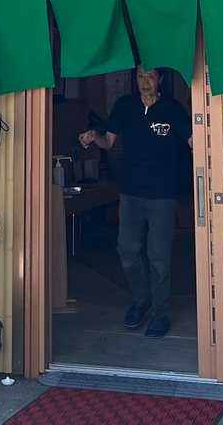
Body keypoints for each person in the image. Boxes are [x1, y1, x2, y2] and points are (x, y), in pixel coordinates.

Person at [79, 66, 192, 338]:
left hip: (162, 195)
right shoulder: (125, 106)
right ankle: (141, 300)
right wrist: (94, 137)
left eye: (150, 76)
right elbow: (109, 141)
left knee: (159, 258)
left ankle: (160, 313)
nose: (145, 82)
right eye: (141, 76)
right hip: (130, 193)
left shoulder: (172, 109)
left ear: (160, 79)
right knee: (127, 251)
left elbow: (193, 139)